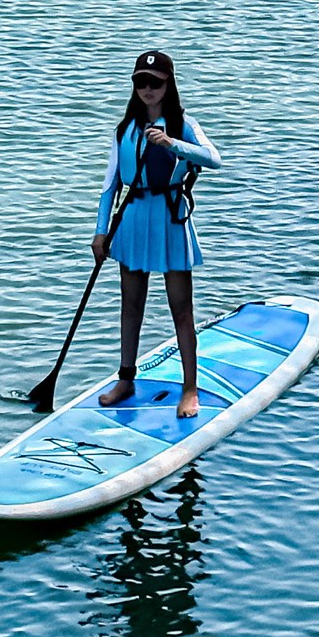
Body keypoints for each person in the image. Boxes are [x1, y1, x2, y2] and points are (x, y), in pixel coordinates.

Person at [93, 49, 222, 420]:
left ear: (168, 85)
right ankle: (126, 379)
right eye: (140, 82)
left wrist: (172, 145)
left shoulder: (183, 124)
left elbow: (214, 159)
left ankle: (190, 389)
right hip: (132, 220)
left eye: (155, 82)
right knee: (130, 305)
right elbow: (110, 186)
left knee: (181, 309)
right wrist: (101, 233)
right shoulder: (125, 130)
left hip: (169, 220)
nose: (147, 89)